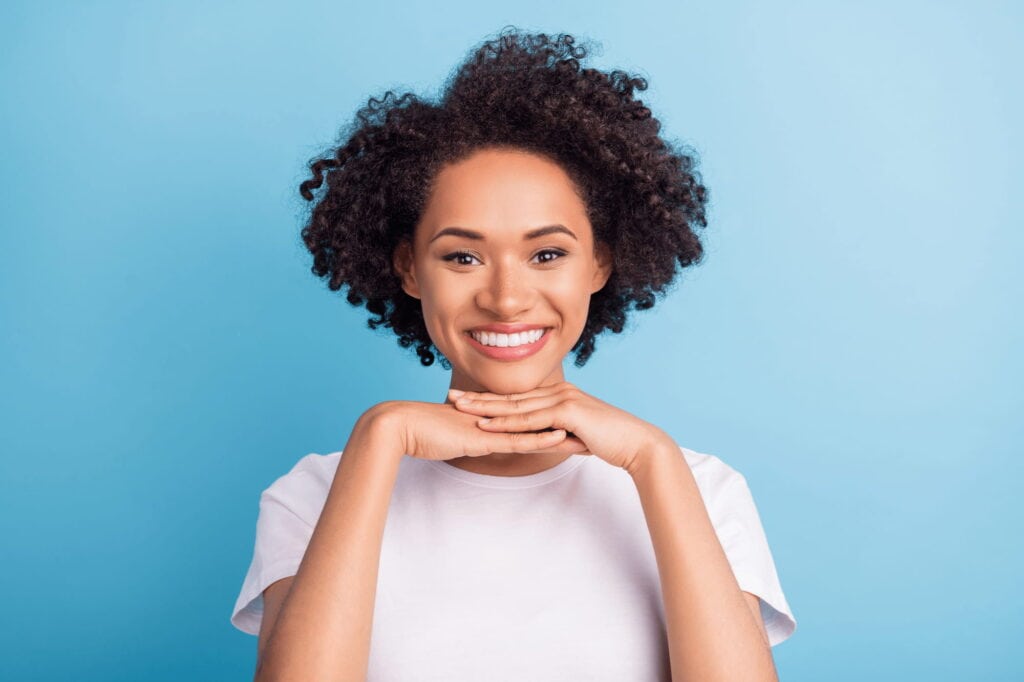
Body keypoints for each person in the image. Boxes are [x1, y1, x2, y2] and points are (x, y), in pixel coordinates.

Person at [231, 27, 796, 681]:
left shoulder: (699, 488)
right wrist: (378, 439)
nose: (505, 299)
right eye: (462, 257)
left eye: (546, 254)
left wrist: (653, 460)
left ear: (600, 264)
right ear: (410, 269)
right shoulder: (315, 494)